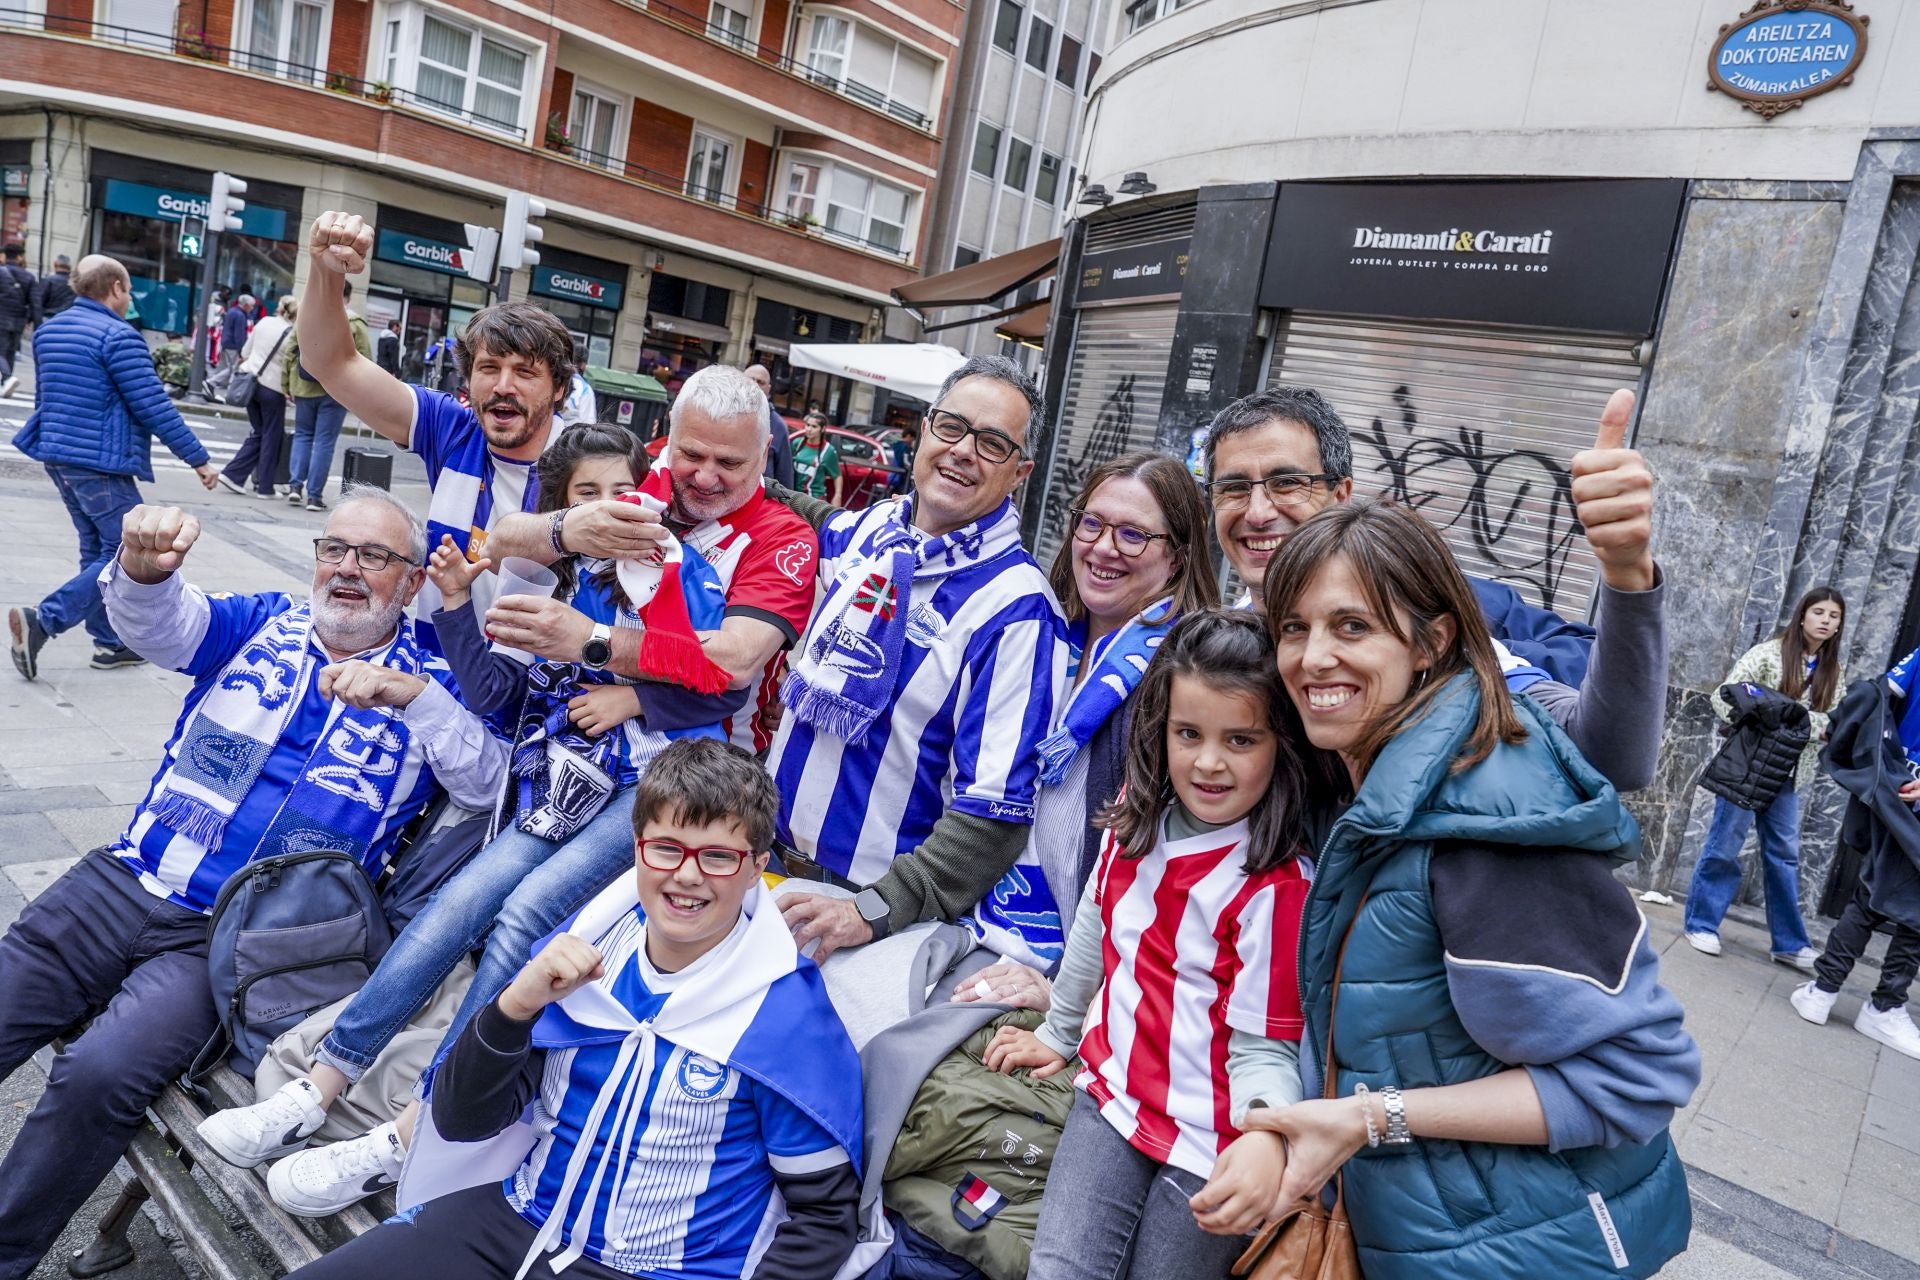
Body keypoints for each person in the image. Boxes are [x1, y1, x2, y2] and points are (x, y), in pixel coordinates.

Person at [198, 425, 748, 1214]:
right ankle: (318, 1086)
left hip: (654, 788)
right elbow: (500, 697)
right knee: (461, 901)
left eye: (618, 492)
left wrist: (627, 684)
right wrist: (457, 602)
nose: (606, 512)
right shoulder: (570, 586)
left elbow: (723, 680)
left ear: (648, 495)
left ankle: (414, 1126)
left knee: (524, 912)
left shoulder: (671, 568)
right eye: (583, 498)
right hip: (569, 788)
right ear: (561, 513)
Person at [0, 491, 506, 1280]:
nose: (346, 568)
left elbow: (486, 784)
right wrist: (139, 573)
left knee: (100, 1073)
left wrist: (418, 700)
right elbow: (164, 626)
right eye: (334, 549)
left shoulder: (435, 677)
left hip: (238, 943)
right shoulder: (262, 622)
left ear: (411, 585)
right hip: (130, 879)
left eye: (373, 557)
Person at [1195, 497, 1698, 1279]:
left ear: (1431, 642)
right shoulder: (1370, 782)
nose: (1313, 657)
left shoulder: (1483, 825)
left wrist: (1368, 1119)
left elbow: (1635, 1081)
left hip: (1528, 1247)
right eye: (1295, 628)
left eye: (1352, 626)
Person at [281, 738, 863, 1280]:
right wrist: (513, 1006)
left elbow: (823, 1221)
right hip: (518, 1220)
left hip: (664, 1269)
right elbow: (463, 1122)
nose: (687, 875)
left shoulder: (784, 1017)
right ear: (637, 850)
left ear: (758, 865)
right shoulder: (584, 953)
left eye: (718, 857)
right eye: (666, 848)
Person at [984, 611, 1323, 1280]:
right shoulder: (1134, 817)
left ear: (1280, 745)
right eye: (1188, 733)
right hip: (1113, 1099)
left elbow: (1265, 1046)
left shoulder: (1275, 886)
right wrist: (1057, 1032)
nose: (1209, 761)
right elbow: (1093, 929)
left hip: (1214, 1140)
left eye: (1241, 739)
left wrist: (1265, 1136)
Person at [1203, 384, 1667, 791]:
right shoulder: (1208, 651)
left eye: (1287, 483)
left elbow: (1607, 756)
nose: (1259, 512)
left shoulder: (1437, 642)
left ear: (1340, 494)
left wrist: (1626, 574)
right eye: (1234, 488)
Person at [769, 356, 1063, 960]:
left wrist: (875, 910)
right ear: (926, 429)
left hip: (861, 918)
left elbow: (995, 815)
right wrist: (736, 469)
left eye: (992, 443)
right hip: (765, 871)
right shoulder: (876, 530)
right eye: (952, 427)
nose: (962, 451)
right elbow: (813, 517)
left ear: (1020, 472)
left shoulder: (1018, 610)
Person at [955, 450, 1217, 974]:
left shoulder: (1187, 676)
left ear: (1179, 556)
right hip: (975, 922)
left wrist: (1076, 998)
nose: (1103, 548)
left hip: (1081, 970)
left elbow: (1176, 868)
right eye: (1092, 523)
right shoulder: (1040, 634)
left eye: (1133, 535)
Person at [481, 364, 819, 756]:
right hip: (577, 736)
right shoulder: (635, 473)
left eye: (729, 463)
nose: (706, 478)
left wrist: (592, 641)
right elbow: (498, 548)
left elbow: (735, 660)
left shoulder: (783, 536)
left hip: (706, 761)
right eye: (691, 454)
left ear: (764, 455)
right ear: (669, 435)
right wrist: (563, 528)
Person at [297, 210, 573, 615]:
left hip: (537, 675)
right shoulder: (453, 431)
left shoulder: (586, 462)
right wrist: (325, 271)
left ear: (559, 389)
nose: (503, 386)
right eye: (489, 368)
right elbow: (332, 364)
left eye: (525, 373)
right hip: (437, 667)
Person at [8, 255, 219, 680]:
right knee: (124, 553)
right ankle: (43, 621)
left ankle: (110, 642)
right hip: (99, 463)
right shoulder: (118, 337)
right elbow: (153, 406)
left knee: (97, 550)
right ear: (117, 288)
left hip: (58, 456)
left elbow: (45, 398)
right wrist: (198, 458)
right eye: (129, 290)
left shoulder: (49, 331)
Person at [1682, 586, 1845, 969]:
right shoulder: (1768, 655)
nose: (1825, 620)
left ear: (1839, 626)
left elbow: (1833, 724)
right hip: (1746, 768)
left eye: (1833, 616)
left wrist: (1797, 723)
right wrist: (1770, 720)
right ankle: (1702, 924)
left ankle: (1788, 943)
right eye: (1818, 612)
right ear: (1802, 615)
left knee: (1784, 856)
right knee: (1724, 846)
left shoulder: (1833, 672)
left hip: (1788, 776)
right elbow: (1723, 698)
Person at [1788, 644, 1920, 1059]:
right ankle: (1878, 1004)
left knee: (1874, 895)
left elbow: (1879, 695)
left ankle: (1824, 991)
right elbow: (1879, 696)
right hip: (1904, 791)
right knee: (1895, 906)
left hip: (1898, 787)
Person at [283, 279, 371, 511]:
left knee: (302, 435)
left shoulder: (307, 316)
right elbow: (365, 360)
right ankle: (314, 496)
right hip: (335, 391)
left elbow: (289, 351)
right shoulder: (354, 323)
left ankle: (294, 487)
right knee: (324, 442)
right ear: (349, 297)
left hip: (304, 387)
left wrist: (287, 385)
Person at [220, 295, 297, 497]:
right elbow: (290, 365)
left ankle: (233, 475)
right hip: (272, 387)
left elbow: (245, 351)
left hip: (249, 380)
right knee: (272, 436)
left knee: (260, 432)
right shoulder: (292, 333)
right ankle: (264, 487)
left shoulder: (263, 322)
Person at [745, 362, 797, 487]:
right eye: (751, 379)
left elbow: (785, 479)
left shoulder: (778, 426)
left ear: (768, 389)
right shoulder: (722, 415)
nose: (755, 385)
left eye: (760, 382)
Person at [0, 243, 34, 398]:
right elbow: (35, 302)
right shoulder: (29, 276)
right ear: (20, 257)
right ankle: (6, 383)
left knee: (1, 351)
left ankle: (7, 378)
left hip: (2, 317)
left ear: (5, 255)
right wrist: (32, 321)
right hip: (19, 320)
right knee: (11, 352)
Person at [206, 291, 253, 397]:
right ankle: (213, 382)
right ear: (245, 305)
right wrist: (242, 350)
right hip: (233, 345)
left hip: (226, 343)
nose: (252, 308)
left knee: (229, 367)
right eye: (251, 306)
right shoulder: (240, 315)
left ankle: (215, 383)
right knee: (233, 368)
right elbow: (239, 334)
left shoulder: (232, 311)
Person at [793, 410, 843, 504]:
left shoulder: (828, 451)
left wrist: (837, 496)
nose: (809, 429)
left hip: (814, 501)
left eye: (814, 426)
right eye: (807, 425)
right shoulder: (797, 443)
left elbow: (837, 476)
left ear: (823, 429)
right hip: (793, 497)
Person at [33, 253, 74, 323]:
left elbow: (39, 301)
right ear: (69, 267)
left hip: (49, 317)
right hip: (68, 319)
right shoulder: (75, 283)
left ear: (55, 264)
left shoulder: (48, 280)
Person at [152, 331, 192, 396]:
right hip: (187, 381)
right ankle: (179, 390)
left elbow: (153, 360)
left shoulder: (166, 346)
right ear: (181, 339)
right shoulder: (188, 349)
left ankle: (164, 388)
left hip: (171, 378)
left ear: (169, 339)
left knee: (158, 363)